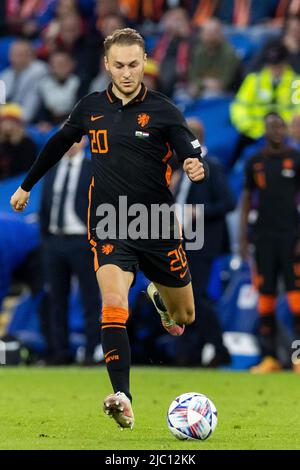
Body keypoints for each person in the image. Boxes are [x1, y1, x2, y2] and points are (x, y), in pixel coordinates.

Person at [10, 28, 208, 429]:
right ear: (106, 64)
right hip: (109, 223)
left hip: (155, 224)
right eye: (118, 65)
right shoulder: (90, 107)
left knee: (184, 316)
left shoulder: (164, 109)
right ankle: (123, 395)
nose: (127, 73)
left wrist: (193, 165)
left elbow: (190, 149)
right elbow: (55, 143)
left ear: (144, 61)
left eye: (134, 64)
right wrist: (26, 186)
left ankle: (159, 297)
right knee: (113, 302)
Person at [240, 113, 300, 374]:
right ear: (265, 130)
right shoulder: (255, 162)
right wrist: (242, 237)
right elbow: (245, 198)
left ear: (286, 129)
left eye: (280, 126)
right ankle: (269, 358)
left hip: (292, 238)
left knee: (297, 300)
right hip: (263, 239)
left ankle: (298, 358)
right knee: (265, 299)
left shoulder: (296, 159)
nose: (277, 131)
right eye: (272, 126)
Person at [174, 118, 235, 367]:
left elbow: (228, 202)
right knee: (182, 299)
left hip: (202, 243)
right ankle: (191, 354)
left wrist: (199, 212)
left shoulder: (211, 167)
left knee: (194, 298)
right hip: (182, 242)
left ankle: (219, 348)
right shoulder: (182, 169)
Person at [39, 137, 101, 365]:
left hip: (82, 241)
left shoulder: (92, 169)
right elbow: (45, 206)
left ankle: (91, 351)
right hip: (55, 241)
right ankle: (59, 352)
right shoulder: (53, 169)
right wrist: (46, 241)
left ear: (84, 141)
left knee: (90, 299)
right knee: (56, 299)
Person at [230, 42, 300, 164]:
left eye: (278, 65)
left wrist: (289, 128)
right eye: (272, 65)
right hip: (256, 132)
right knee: (237, 153)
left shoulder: (296, 82)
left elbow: (298, 109)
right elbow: (239, 106)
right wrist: (247, 125)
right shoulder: (253, 80)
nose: (275, 69)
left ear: (285, 62)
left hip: (286, 134)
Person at [0, 103, 37, 180]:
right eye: (5, 121)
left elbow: (26, 169)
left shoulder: (27, 143)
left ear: (18, 124)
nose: (8, 125)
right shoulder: (2, 143)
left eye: (11, 121)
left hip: (17, 183)